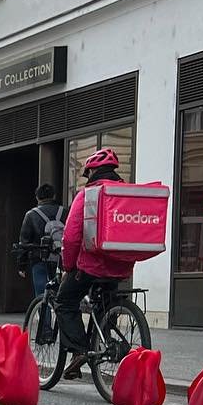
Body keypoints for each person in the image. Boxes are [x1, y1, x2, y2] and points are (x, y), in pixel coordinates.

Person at [57, 147, 134, 378]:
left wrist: (69, 265)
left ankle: (80, 350)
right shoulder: (128, 194)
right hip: (122, 265)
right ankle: (105, 339)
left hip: (91, 266)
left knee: (64, 301)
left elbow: (71, 236)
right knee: (105, 303)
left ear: (92, 172)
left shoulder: (88, 195)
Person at [17, 183, 66, 301]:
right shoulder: (64, 212)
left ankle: (45, 318)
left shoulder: (31, 215)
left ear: (37, 197)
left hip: (39, 259)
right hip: (61, 259)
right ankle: (59, 319)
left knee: (42, 295)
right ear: (54, 196)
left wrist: (21, 265)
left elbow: (24, 242)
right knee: (61, 295)